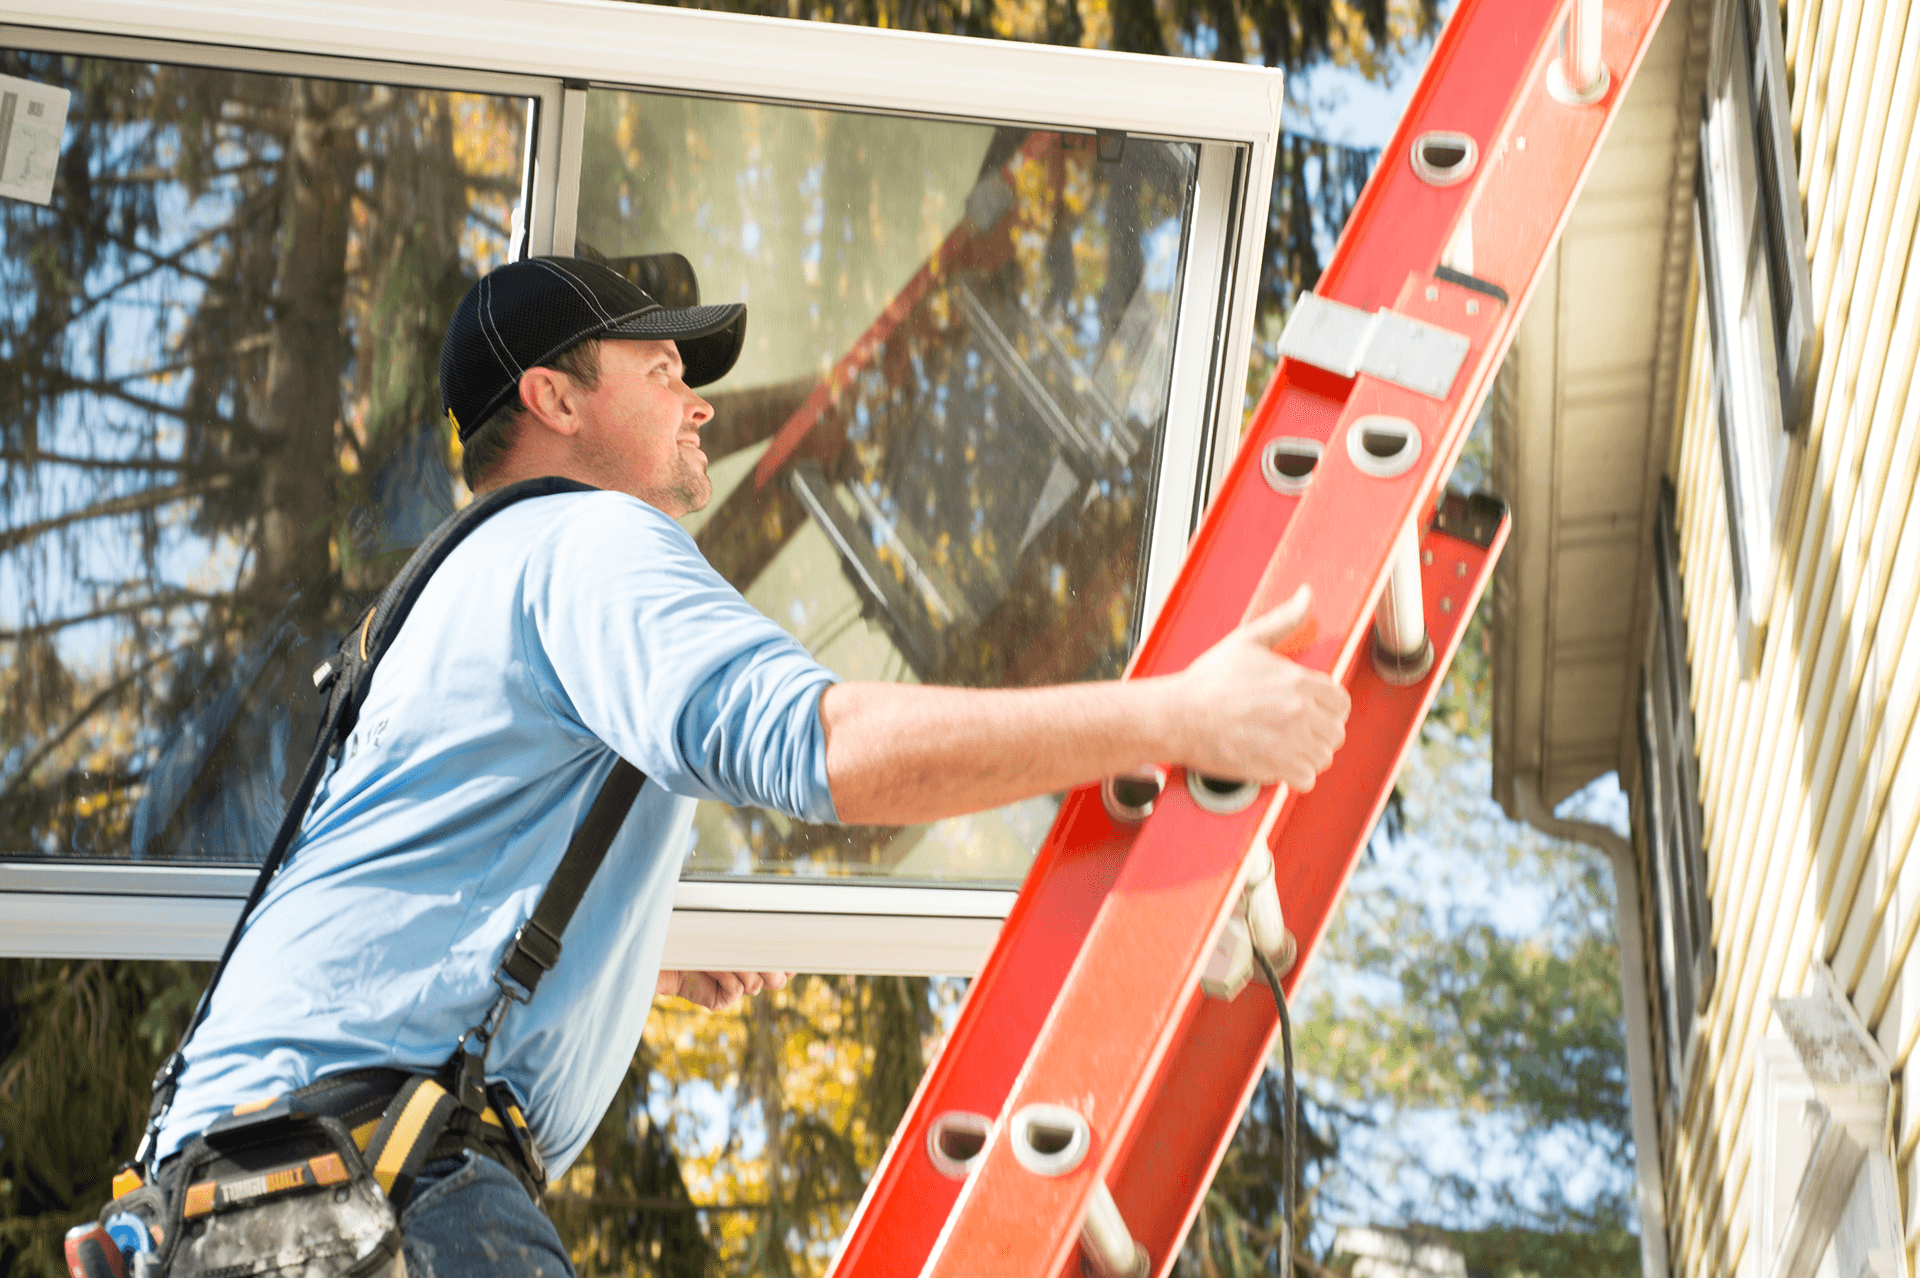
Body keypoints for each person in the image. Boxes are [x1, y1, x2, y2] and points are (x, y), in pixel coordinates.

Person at [152, 255, 1349, 1276]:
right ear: (554, 397)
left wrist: (632, 957)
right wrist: (1178, 714)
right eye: (663, 371)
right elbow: (821, 751)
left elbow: (407, 886)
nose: (701, 404)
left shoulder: (448, 597)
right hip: (371, 1187)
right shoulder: (586, 539)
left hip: (250, 1197)